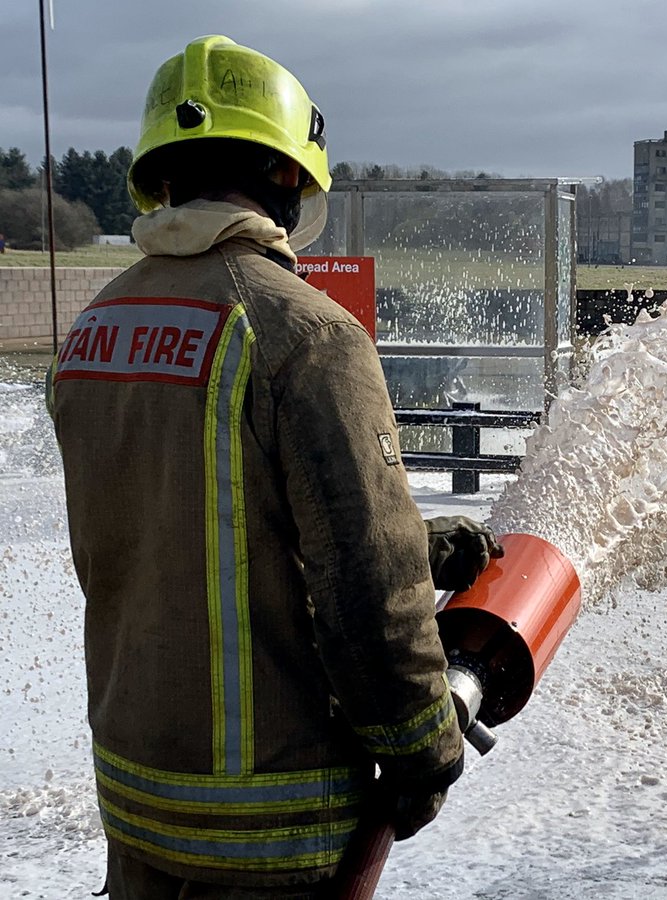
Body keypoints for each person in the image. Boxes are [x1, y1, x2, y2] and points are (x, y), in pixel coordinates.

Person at [47, 35, 500, 898]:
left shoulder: (93, 334)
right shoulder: (308, 335)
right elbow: (366, 588)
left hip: (137, 806)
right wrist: (422, 749)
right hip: (266, 832)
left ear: (161, 176)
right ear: (288, 177)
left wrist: (423, 542)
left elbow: (191, 520)